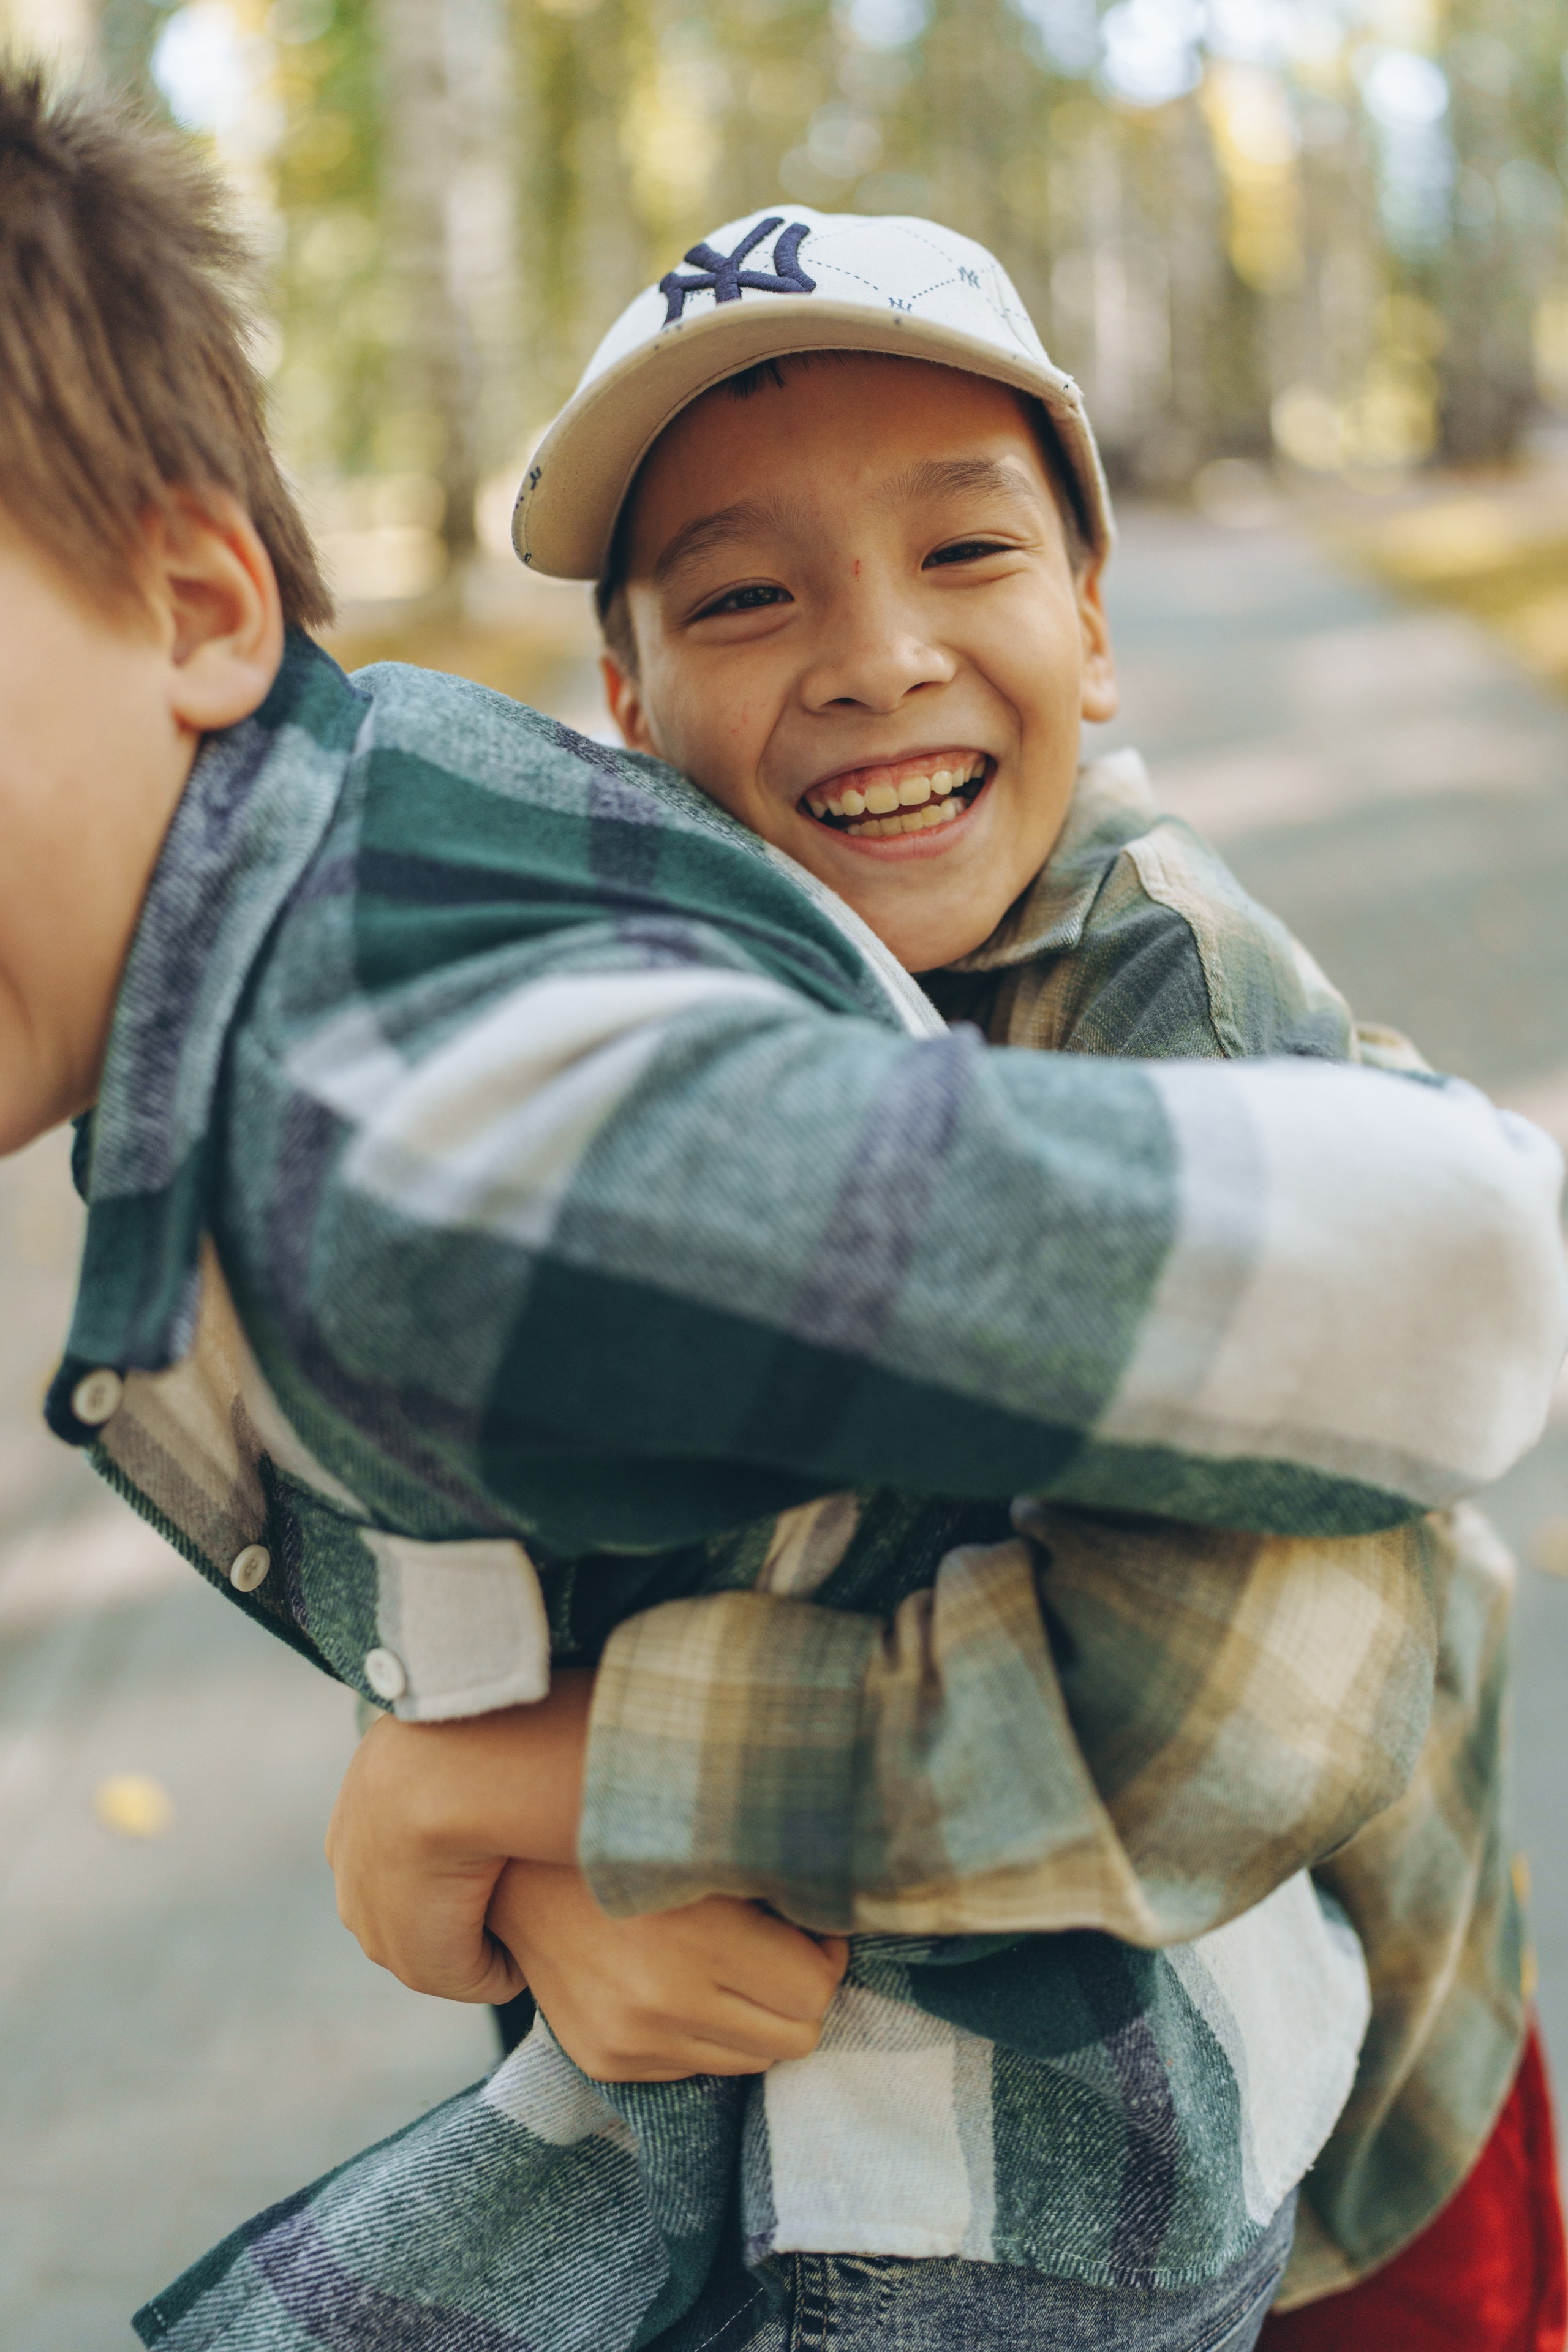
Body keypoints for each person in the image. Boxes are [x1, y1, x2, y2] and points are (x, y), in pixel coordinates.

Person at [0, 68, 1559, 2350]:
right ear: (624, 714)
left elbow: (1258, 1700)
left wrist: (524, 1797)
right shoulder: (626, 1035)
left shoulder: (1184, 1017)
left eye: (966, 552)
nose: (875, 652)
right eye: (747, 596)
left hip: (1357, 2153)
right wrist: (509, 1862)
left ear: (1097, 628)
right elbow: (563, 1536)